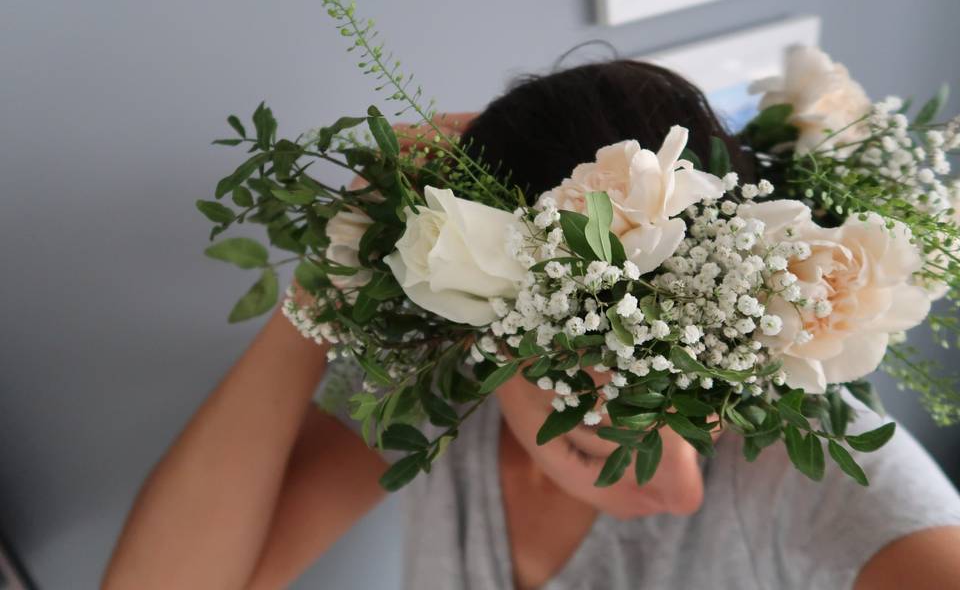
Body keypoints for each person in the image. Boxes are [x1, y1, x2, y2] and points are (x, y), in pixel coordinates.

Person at [103, 61, 960, 590]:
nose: (685, 490)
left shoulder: (823, 475)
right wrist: (328, 284)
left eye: (719, 412)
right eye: (596, 443)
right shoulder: (437, 392)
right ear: (471, 342)